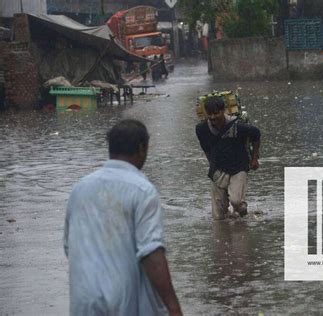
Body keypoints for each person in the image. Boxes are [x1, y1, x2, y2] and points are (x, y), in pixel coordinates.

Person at [64, 119, 182, 315]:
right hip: (123, 302)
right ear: (142, 148)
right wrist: (173, 306)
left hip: (82, 301)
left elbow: (69, 246)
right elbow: (151, 253)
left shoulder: (80, 188)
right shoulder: (142, 190)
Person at [196, 96, 261, 220]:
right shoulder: (201, 129)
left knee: (236, 201)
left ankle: (242, 217)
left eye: (216, 113)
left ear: (223, 110)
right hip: (218, 169)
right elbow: (205, 147)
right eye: (210, 114)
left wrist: (254, 159)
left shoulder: (237, 126)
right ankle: (226, 230)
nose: (213, 117)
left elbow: (256, 134)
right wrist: (212, 165)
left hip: (239, 167)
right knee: (218, 216)